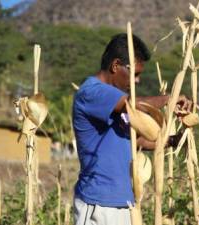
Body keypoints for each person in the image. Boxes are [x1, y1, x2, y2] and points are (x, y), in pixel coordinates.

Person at [72, 33, 189, 225]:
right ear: (116, 65)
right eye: (134, 74)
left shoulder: (117, 103)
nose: (137, 81)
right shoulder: (90, 92)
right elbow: (133, 105)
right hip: (99, 204)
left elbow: (136, 141)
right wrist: (170, 99)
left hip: (123, 202)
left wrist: (175, 140)